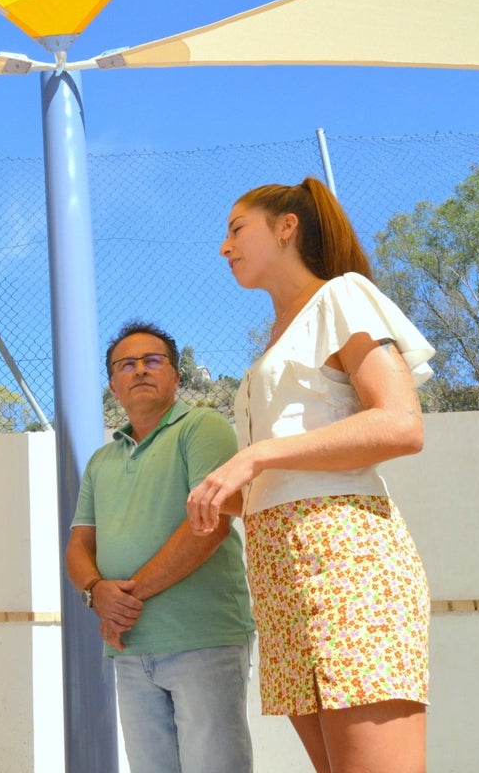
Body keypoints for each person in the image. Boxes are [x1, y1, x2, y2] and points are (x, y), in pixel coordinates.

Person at [187, 177, 434, 773]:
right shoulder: (270, 346)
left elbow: (401, 424)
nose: (224, 247)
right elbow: (284, 475)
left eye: (236, 228)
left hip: (347, 556)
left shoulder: (342, 296)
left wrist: (254, 457)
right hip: (278, 572)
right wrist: (229, 495)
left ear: (286, 227)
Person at [65, 321, 256, 773]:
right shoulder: (101, 460)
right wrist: (96, 592)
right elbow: (78, 546)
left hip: (202, 639)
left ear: (176, 375)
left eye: (154, 361)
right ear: (113, 384)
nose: (140, 371)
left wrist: (121, 601)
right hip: (130, 647)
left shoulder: (203, 428)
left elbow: (206, 528)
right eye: (126, 365)